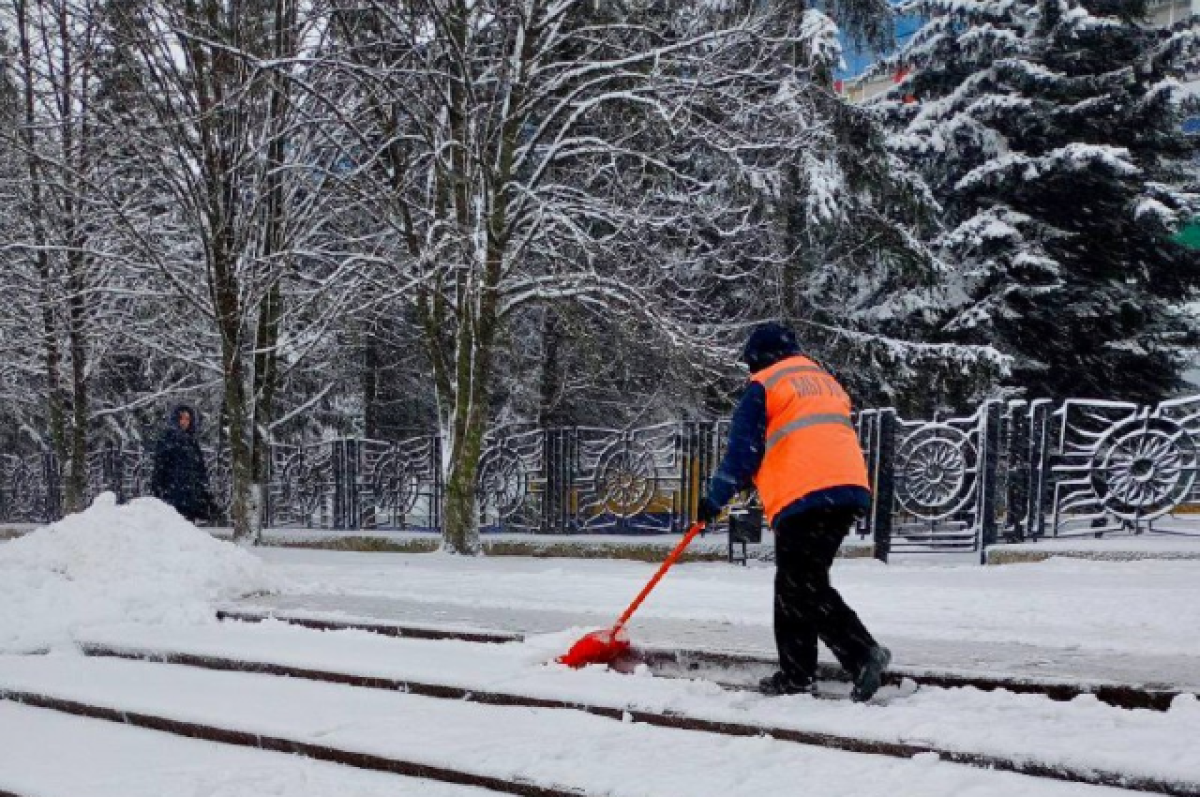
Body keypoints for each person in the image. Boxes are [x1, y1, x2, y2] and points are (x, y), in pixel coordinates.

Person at [699, 322, 891, 701]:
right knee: (796, 582)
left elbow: (743, 453)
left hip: (805, 492)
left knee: (800, 586)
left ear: (757, 358)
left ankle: (862, 652)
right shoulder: (823, 380)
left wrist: (714, 499)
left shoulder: (765, 385)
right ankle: (796, 674)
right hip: (847, 489)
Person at [151, 405, 215, 523]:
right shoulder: (167, 439)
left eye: (188, 419)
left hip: (190, 497)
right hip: (173, 495)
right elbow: (160, 468)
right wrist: (159, 492)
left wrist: (203, 495)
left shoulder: (192, 442)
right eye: (182, 418)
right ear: (176, 419)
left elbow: (200, 470)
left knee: (187, 532)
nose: (185, 422)